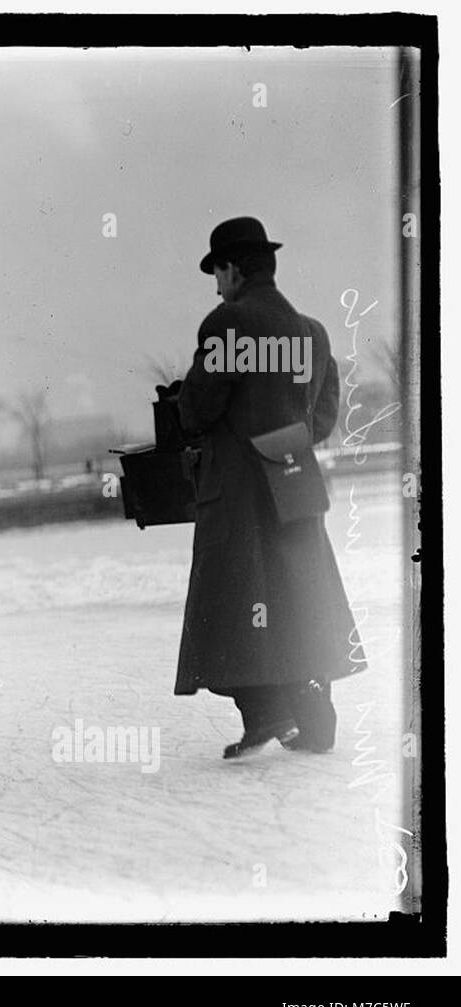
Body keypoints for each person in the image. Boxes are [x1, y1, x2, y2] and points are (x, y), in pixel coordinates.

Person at [174, 217, 364, 757]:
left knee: (237, 605)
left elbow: (196, 409)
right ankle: (309, 716)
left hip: (238, 495)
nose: (216, 284)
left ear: (233, 270)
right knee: (301, 596)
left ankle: (264, 714)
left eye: (217, 272)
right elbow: (323, 420)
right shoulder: (314, 332)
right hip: (296, 482)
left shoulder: (227, 324)